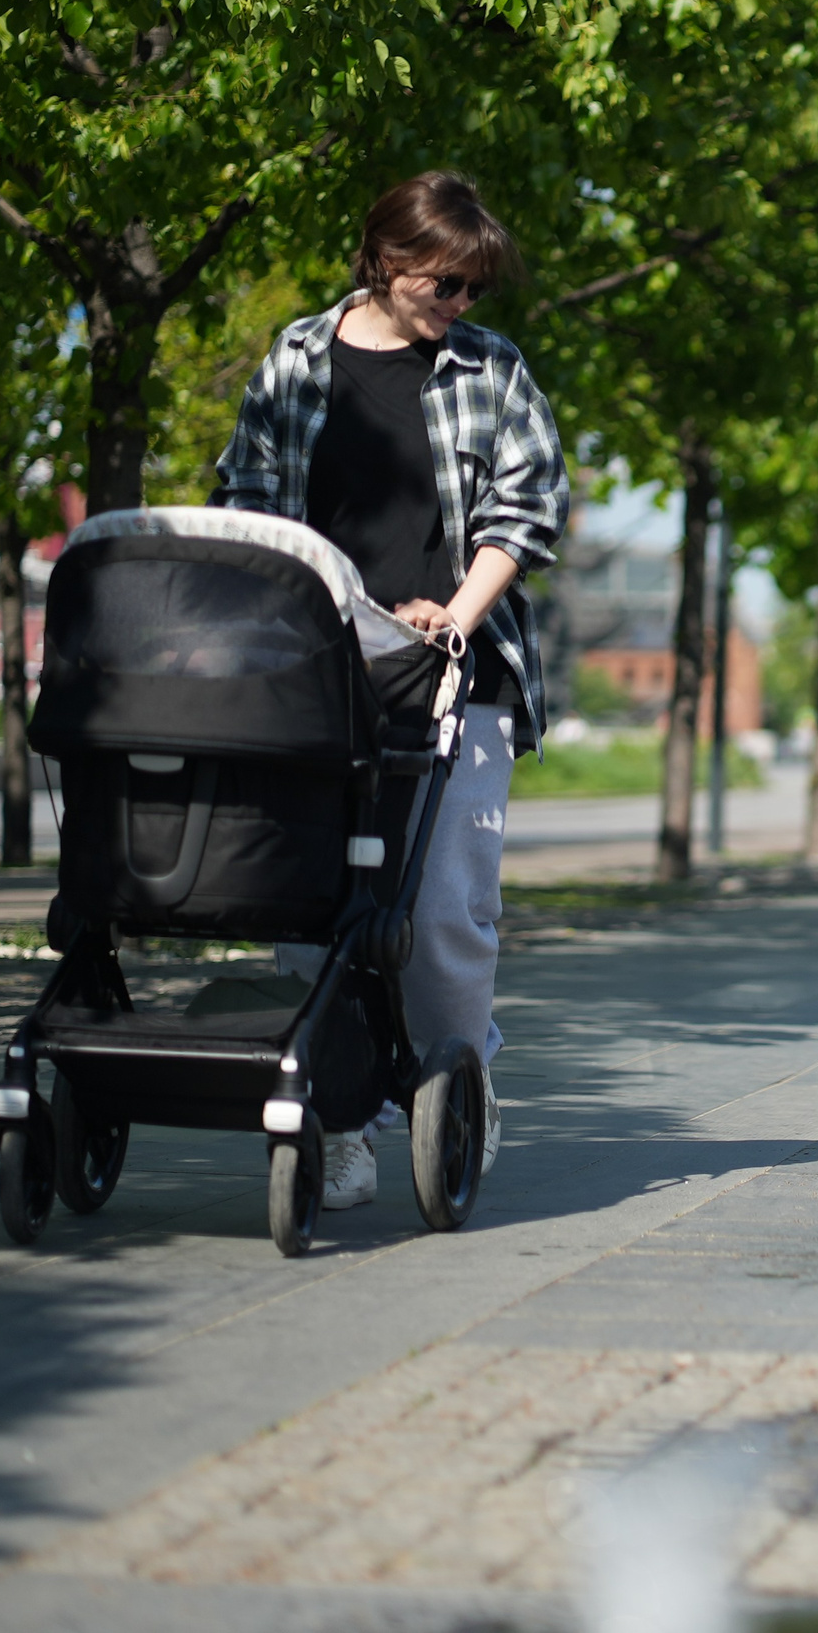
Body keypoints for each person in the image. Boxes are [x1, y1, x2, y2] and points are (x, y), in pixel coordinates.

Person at [214, 170, 567, 1211]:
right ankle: (340, 1118)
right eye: (443, 281)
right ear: (384, 257)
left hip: (458, 672)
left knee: (445, 911)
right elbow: (247, 495)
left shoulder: (490, 367)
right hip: (319, 671)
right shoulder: (297, 356)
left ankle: (455, 1087)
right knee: (312, 902)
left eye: (474, 287)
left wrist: (454, 616)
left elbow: (526, 510)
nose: (460, 302)